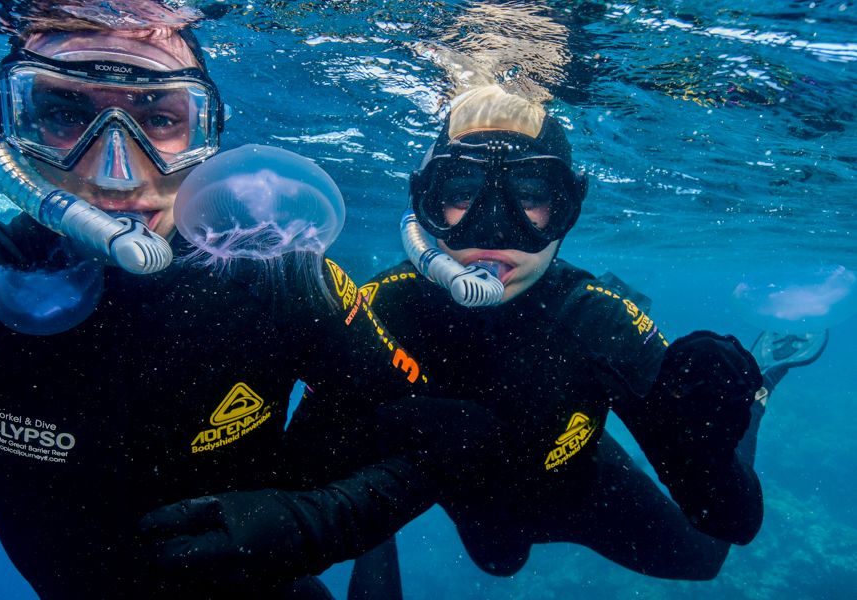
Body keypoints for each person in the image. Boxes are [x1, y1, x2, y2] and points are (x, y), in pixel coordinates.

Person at [0, 9, 465, 598]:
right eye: (65, 114)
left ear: (208, 137)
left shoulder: (279, 275)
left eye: (161, 118)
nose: (116, 171)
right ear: (8, 129)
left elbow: (443, 434)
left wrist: (321, 524)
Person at [288, 84, 829, 597]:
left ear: (566, 210)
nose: (493, 229)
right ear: (426, 206)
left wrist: (708, 446)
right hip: (470, 501)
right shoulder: (386, 308)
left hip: (575, 482)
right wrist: (383, 432)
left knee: (703, 560)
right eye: (460, 194)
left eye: (530, 196)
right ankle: (380, 533)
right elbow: (296, 480)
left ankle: (761, 383)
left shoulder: (596, 319)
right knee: (499, 562)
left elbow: (734, 522)